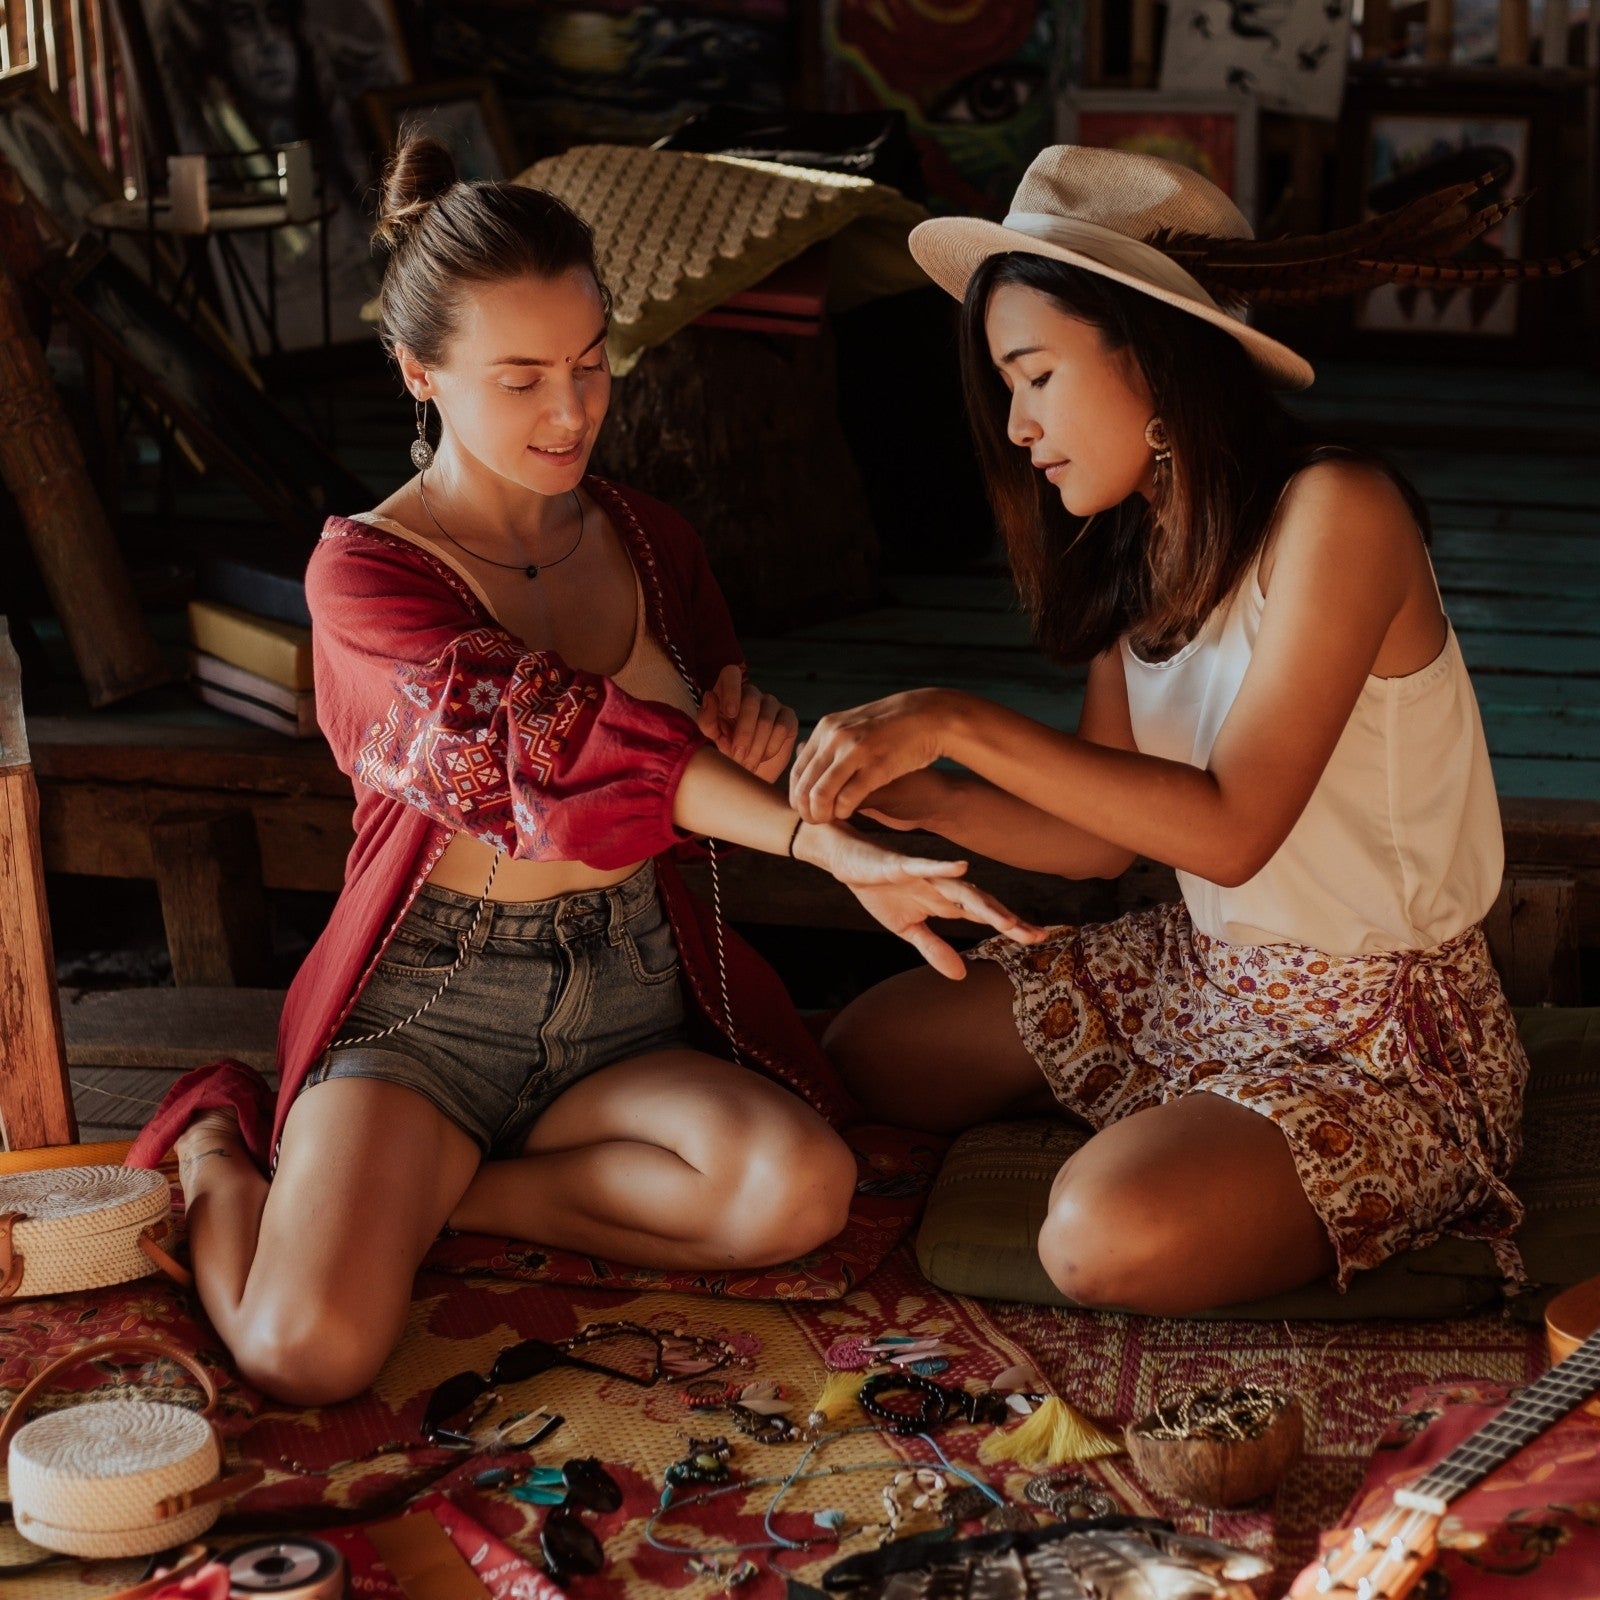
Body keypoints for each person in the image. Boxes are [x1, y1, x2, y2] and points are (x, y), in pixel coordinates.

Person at [129, 136, 1038, 1405]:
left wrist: (749, 736)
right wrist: (820, 842)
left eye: (591, 362)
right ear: (420, 372)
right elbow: (553, 744)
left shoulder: (653, 540)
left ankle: (436, 1198)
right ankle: (228, 1148)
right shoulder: (365, 574)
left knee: (801, 1188)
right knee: (303, 1355)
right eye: (520, 379)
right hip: (432, 1010)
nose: (571, 412)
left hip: (625, 990)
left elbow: (690, 747)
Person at [792, 145, 1595, 1316]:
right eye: (1005, 389)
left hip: (1380, 1038)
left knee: (1102, 1235)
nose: (1016, 427)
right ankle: (1198, 1119)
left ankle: (1220, 1148)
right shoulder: (1146, 548)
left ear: (1153, 356)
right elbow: (1102, 838)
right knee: (873, 1049)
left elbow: (1229, 833)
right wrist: (918, 791)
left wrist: (953, 716)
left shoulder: (1338, 512)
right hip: (1202, 977)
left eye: (1034, 376)